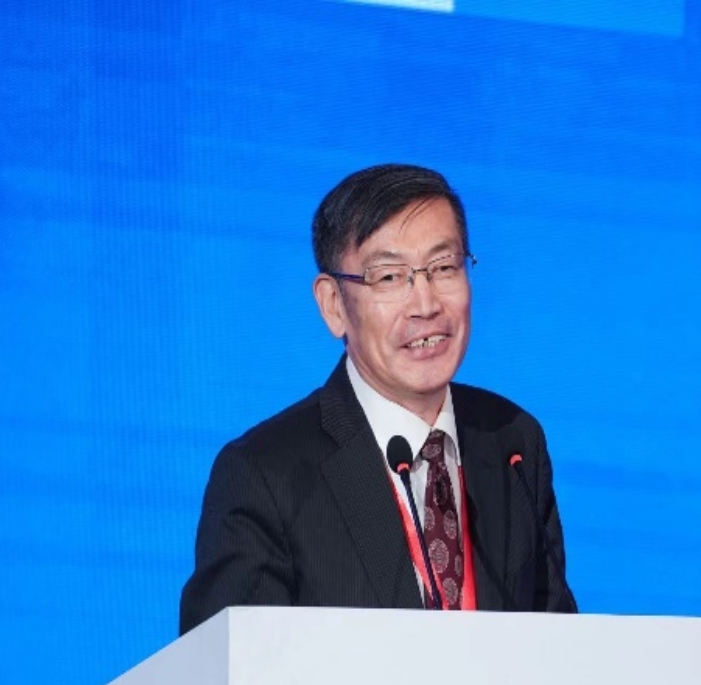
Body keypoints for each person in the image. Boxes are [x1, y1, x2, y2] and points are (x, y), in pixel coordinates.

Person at [179, 163, 575, 634]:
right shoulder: (266, 475)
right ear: (333, 304)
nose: (426, 304)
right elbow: (231, 668)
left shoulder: (513, 443)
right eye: (389, 277)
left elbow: (560, 647)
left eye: (443, 268)